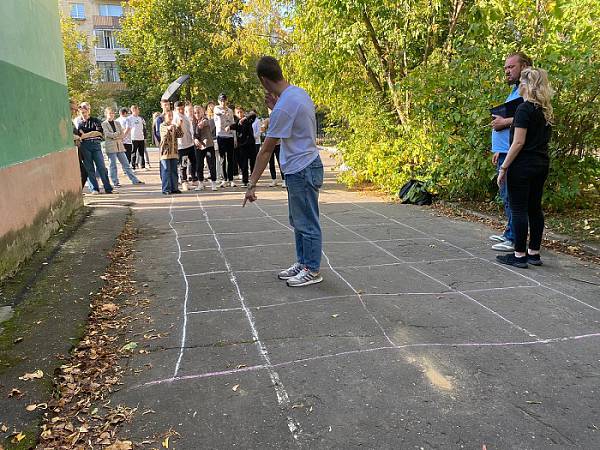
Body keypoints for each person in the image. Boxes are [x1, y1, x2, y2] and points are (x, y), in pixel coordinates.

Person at [243, 56, 324, 287]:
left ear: (263, 80)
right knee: (298, 220)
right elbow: (291, 123)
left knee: (307, 222)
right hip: (304, 165)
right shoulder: (298, 94)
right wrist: (275, 108)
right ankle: (303, 262)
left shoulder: (284, 106)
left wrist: (251, 184)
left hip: (302, 168)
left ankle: (312, 269)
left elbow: (266, 150)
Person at [496, 68, 553, 269]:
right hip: (541, 164)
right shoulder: (544, 111)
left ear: (525, 85)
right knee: (535, 208)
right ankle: (533, 253)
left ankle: (519, 254)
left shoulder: (524, 109)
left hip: (522, 165)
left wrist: (504, 167)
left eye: (521, 82)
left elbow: (518, 142)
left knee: (518, 209)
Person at [489, 52, 532, 252]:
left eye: (511, 67)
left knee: (512, 197)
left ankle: (514, 239)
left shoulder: (528, 89)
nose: (507, 71)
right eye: (505, 67)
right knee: (506, 196)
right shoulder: (516, 90)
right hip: (505, 151)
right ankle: (509, 233)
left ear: (524, 66)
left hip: (514, 154)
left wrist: (504, 122)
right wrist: (499, 149)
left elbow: (530, 117)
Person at [101, 106, 144, 187]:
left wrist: (116, 135)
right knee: (113, 165)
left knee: (126, 164)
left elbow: (122, 134)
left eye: (113, 113)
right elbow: (107, 134)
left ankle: (134, 180)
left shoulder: (117, 123)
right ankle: (115, 182)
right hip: (110, 146)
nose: (111, 115)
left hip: (120, 145)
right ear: (106, 114)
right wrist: (117, 134)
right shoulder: (104, 124)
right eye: (110, 113)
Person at [77, 103, 113, 195]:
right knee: (89, 168)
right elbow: (81, 136)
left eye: (85, 112)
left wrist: (86, 134)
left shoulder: (95, 120)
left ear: (88, 111)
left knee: (101, 167)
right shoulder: (80, 124)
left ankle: (108, 188)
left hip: (96, 145)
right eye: (81, 113)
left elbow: (99, 133)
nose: (83, 114)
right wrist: (92, 133)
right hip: (85, 146)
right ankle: (94, 189)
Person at [192, 105, 218, 191]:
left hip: (208, 145)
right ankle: (201, 183)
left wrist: (203, 123)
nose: (197, 114)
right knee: (199, 165)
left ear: (203, 112)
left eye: (198, 112)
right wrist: (195, 139)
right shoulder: (193, 122)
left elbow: (210, 122)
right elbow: (192, 133)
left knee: (211, 164)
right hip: (198, 146)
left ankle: (213, 182)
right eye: (195, 113)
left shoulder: (206, 119)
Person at [230, 106, 257, 187]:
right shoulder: (236, 122)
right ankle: (245, 181)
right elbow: (232, 126)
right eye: (238, 112)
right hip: (242, 146)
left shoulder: (248, 120)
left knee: (253, 163)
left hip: (250, 144)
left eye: (241, 112)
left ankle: (253, 180)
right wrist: (228, 127)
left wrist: (245, 118)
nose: (240, 114)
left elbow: (253, 115)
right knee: (243, 164)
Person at [214, 93, 236, 187]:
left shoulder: (230, 110)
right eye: (221, 100)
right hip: (221, 135)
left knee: (230, 158)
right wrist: (224, 112)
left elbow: (232, 122)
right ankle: (224, 179)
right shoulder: (217, 108)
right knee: (222, 158)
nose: (223, 102)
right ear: (219, 101)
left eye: (224, 100)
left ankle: (231, 179)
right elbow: (218, 112)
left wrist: (230, 127)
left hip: (229, 136)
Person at [159, 110, 183, 195]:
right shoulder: (162, 125)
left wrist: (179, 126)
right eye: (169, 115)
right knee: (166, 170)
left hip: (174, 152)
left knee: (174, 170)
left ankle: (174, 188)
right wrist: (168, 128)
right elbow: (164, 135)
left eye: (172, 115)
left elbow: (180, 135)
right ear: (165, 117)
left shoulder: (174, 125)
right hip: (165, 152)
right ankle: (166, 189)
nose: (171, 117)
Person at [173, 100, 195, 190]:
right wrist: (178, 125)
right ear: (175, 109)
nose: (181, 111)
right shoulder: (175, 117)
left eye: (182, 109)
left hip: (190, 144)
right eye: (179, 109)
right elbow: (175, 129)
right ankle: (184, 181)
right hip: (182, 146)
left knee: (194, 162)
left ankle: (194, 178)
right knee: (183, 164)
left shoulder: (185, 116)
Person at [261, 112, 285, 187]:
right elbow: (262, 129)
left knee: (280, 162)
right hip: (270, 144)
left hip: (279, 144)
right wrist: (263, 127)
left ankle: (284, 180)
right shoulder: (267, 120)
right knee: (271, 162)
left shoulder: (279, 119)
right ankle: (273, 179)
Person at [70, 99, 87, 189]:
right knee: (84, 173)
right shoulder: (66, 120)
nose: (74, 111)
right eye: (72, 109)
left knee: (84, 173)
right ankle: (78, 192)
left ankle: (79, 191)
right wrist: (76, 137)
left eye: (75, 110)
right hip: (71, 152)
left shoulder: (70, 120)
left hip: (77, 151)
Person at [128, 105, 147, 170]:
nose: (138, 111)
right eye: (137, 109)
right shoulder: (129, 118)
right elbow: (128, 128)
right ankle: (133, 166)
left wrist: (144, 137)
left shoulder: (140, 118)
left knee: (141, 152)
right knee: (133, 152)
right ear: (133, 110)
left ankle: (142, 166)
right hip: (133, 138)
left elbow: (143, 127)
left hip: (141, 137)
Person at [184, 102, 198, 182]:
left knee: (193, 160)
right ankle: (185, 176)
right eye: (190, 111)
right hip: (185, 144)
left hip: (193, 143)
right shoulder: (184, 120)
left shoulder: (195, 120)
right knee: (185, 161)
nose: (191, 112)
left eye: (192, 110)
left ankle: (193, 176)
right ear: (186, 111)